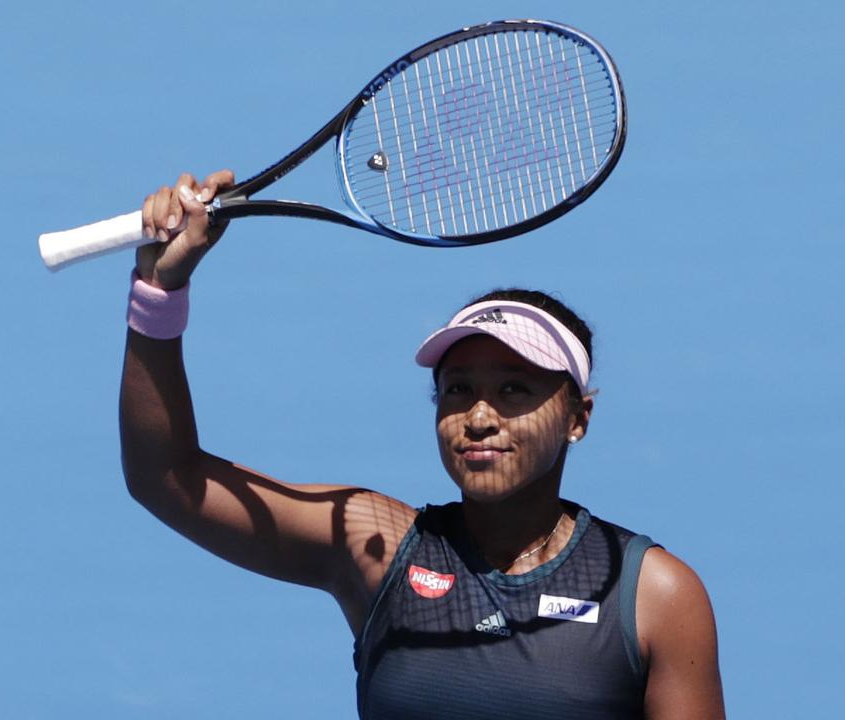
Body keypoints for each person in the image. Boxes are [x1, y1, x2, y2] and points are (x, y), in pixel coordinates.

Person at [120, 171, 726, 719]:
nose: (480, 416)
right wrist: (158, 290)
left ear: (577, 417)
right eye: (458, 389)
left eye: (515, 389)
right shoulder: (376, 548)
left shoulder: (652, 594)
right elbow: (167, 478)